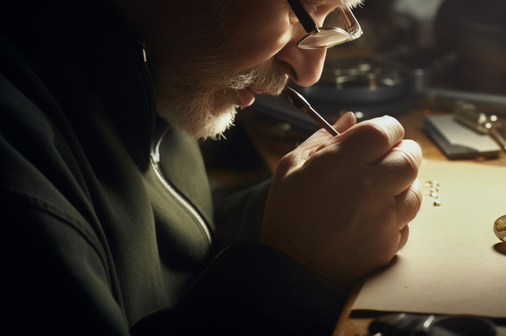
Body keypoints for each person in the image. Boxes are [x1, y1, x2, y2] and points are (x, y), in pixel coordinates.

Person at [0, 0, 422, 335]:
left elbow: (175, 233)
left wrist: (317, 204)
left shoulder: (157, 60)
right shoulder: (20, 194)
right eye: (306, 13)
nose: (309, 72)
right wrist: (296, 266)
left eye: (333, 17)